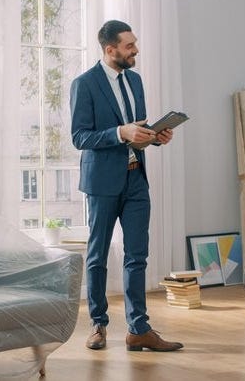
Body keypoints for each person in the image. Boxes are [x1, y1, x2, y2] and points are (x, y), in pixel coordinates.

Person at [70, 20, 183, 352]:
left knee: (137, 256)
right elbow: (80, 137)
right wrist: (121, 133)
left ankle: (139, 329)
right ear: (110, 49)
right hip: (101, 182)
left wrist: (156, 136)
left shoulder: (134, 80)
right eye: (129, 45)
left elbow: (139, 129)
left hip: (136, 179)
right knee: (98, 256)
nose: (136, 50)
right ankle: (98, 325)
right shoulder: (85, 84)